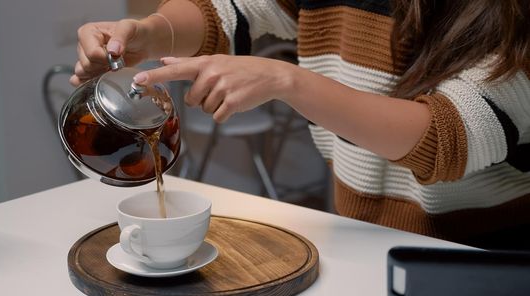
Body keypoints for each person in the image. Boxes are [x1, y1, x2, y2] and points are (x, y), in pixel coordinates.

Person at [71, 0, 530, 248]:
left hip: (483, 260)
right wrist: (149, 31)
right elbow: (230, 11)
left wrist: (285, 80)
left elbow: (445, 140)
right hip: (362, 236)